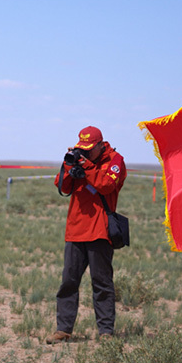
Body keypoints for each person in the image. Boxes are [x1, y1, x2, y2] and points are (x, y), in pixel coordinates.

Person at [46, 126, 126, 343]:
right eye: (82, 149)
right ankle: (63, 329)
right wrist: (68, 165)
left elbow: (107, 185)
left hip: (100, 231)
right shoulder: (79, 159)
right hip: (75, 230)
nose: (85, 152)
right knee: (68, 283)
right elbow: (61, 185)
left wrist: (87, 166)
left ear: (101, 145)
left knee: (101, 283)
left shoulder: (115, 160)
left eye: (89, 149)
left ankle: (106, 332)